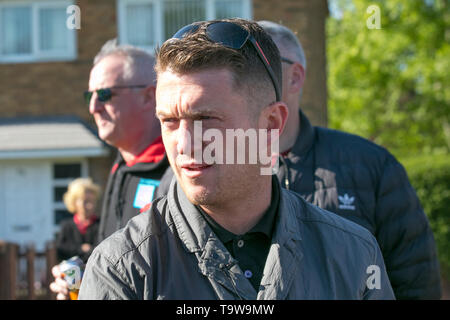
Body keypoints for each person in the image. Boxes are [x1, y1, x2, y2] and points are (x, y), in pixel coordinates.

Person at [78, 18, 394, 300]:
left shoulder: (352, 252)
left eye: (205, 118)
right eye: (169, 121)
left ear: (271, 124)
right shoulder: (123, 268)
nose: (184, 143)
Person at [256, 20, 441, 299]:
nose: (243, 76)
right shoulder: (212, 168)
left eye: (260, 63)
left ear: (295, 77)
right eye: (235, 66)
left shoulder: (372, 165)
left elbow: (415, 281)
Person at [49, 40, 169, 299]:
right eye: (88, 96)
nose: (93, 107)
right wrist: (83, 271)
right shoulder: (121, 166)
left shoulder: (181, 168)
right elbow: (112, 249)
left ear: (150, 96)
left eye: (104, 94)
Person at [55, 178, 100, 263]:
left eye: (92, 201)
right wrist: (81, 248)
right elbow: (61, 250)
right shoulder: (67, 226)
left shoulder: (100, 224)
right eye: (85, 201)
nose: (90, 206)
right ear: (74, 202)